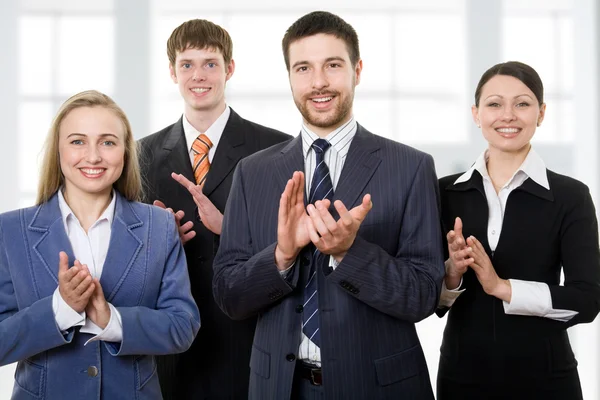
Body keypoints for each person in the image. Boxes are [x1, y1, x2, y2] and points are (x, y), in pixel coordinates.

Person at [212, 11, 445, 400]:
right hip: (278, 388)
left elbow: (423, 294)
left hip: (377, 387)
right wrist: (282, 255)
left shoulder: (410, 167)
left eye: (332, 66)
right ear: (289, 77)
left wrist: (348, 253)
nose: (318, 82)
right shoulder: (252, 173)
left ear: (357, 69)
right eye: (303, 68)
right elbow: (228, 294)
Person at [0, 90, 200, 399]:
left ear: (124, 152)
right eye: (77, 141)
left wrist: (112, 320)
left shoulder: (159, 227)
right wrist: (59, 310)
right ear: (58, 150)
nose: (93, 156)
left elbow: (182, 327)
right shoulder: (10, 231)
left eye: (107, 142)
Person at [138, 18, 291, 399]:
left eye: (210, 63)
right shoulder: (138, 155)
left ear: (230, 68)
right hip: (169, 347)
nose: (198, 75)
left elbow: (297, 250)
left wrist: (232, 228)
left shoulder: (277, 149)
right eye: (187, 64)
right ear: (172, 72)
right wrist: (156, 240)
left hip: (249, 338)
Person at [436, 61, 600, 400]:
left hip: (546, 380)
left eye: (522, 104)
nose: (507, 115)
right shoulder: (444, 193)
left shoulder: (571, 196)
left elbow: (588, 299)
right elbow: (429, 301)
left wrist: (503, 287)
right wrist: (452, 272)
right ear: (476, 114)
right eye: (494, 104)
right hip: (462, 379)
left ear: (540, 113)